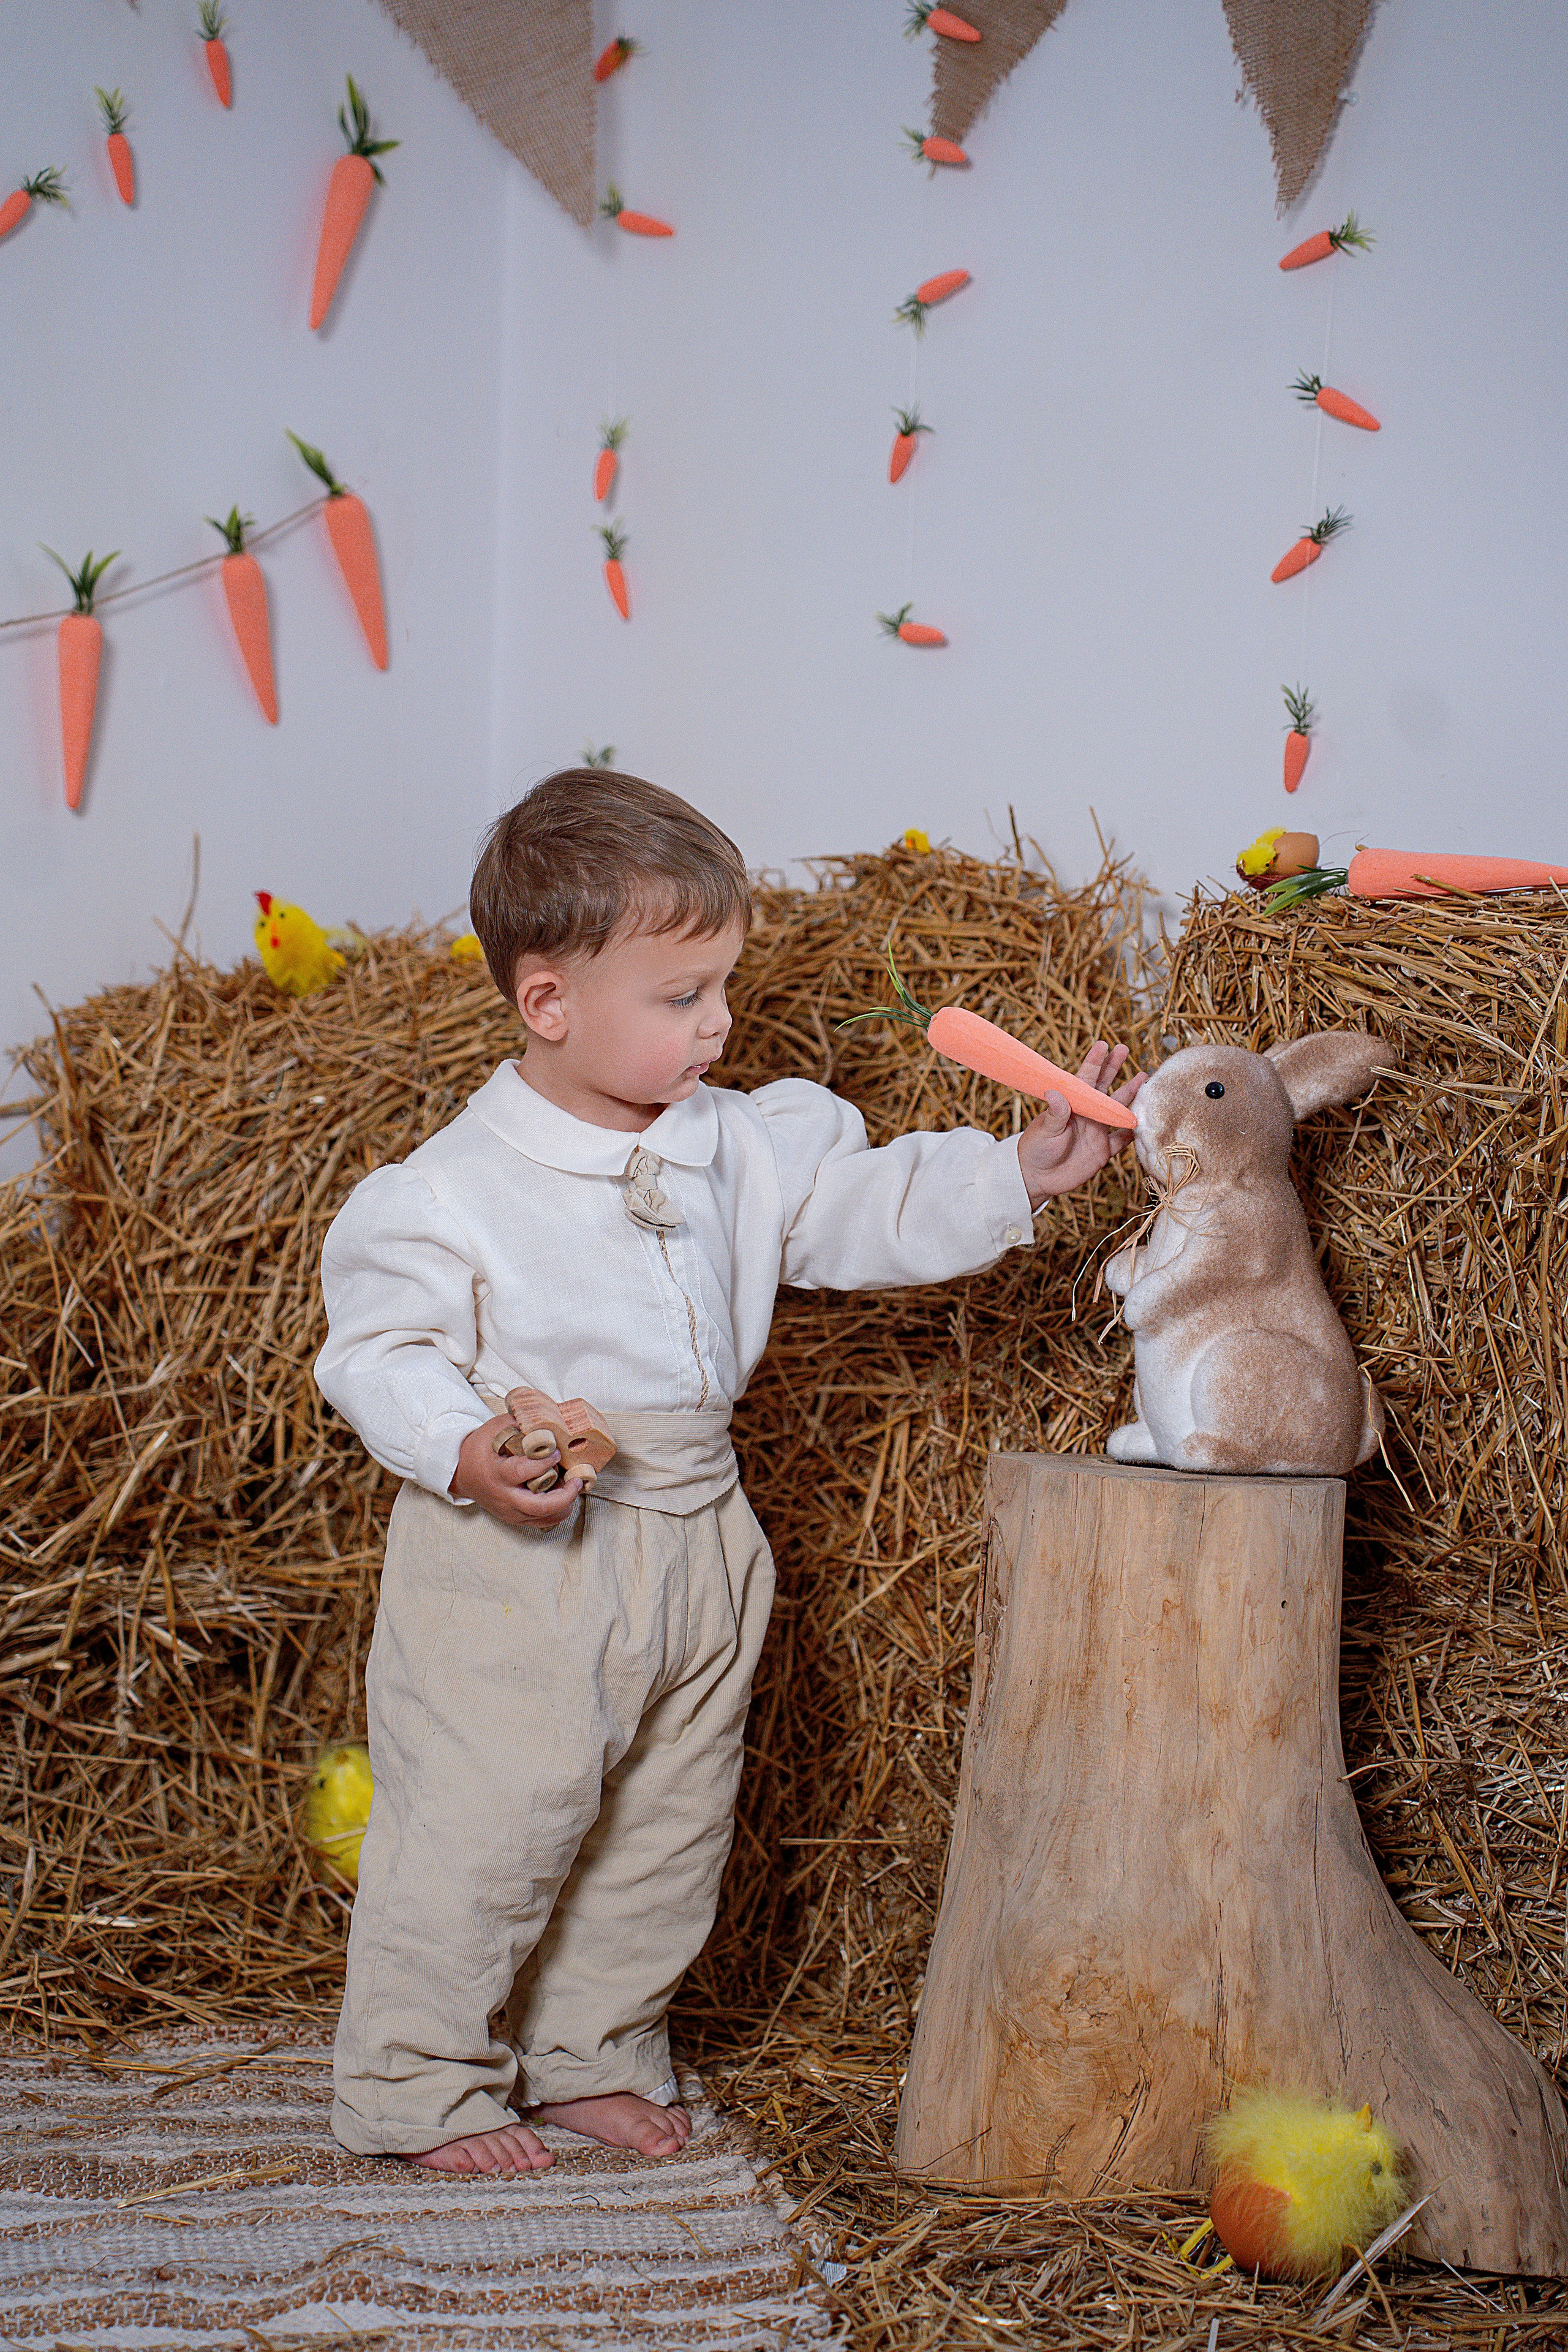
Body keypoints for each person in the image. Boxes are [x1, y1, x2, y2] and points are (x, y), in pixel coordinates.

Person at [314, 769, 1142, 2177]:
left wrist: (1017, 1172)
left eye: (723, 987)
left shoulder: (733, 1143)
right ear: (549, 1002)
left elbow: (852, 1206)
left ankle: (587, 2050)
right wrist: (464, 1446)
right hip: (524, 1556)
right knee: (487, 1818)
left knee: (664, 1821)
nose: (719, 1022)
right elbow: (380, 1347)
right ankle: (415, 2078)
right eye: (683, 996)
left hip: (699, 1528)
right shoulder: (449, 1191)